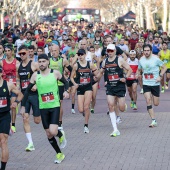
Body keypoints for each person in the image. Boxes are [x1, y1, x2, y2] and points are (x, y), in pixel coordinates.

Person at [20, 54, 69, 164]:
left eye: (43, 61)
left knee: (53, 131)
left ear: (48, 62)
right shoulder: (35, 76)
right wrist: (23, 106)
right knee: (48, 134)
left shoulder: (55, 73)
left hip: (55, 105)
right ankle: (59, 153)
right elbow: (27, 91)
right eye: (40, 62)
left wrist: (66, 91)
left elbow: (66, 82)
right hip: (43, 107)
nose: (41, 63)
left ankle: (60, 134)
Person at [97, 44, 132, 136]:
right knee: (110, 105)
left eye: (111, 51)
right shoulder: (105, 61)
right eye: (108, 51)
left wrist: (125, 77)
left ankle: (123, 105)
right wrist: (97, 78)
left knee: (122, 108)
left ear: (115, 51)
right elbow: (101, 71)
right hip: (110, 86)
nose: (110, 53)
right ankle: (115, 129)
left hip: (119, 86)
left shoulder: (120, 60)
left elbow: (129, 69)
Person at [17, 45, 41, 151]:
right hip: (25, 96)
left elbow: (42, 75)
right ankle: (30, 143)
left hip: (34, 95)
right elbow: (18, 79)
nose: (22, 55)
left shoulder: (34, 64)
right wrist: (18, 87)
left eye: (23, 53)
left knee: (37, 121)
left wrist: (37, 85)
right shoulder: (18, 66)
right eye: (20, 54)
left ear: (27, 52)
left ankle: (56, 129)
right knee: (25, 118)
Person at [0, 65, 23, 170]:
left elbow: (20, 94)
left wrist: (16, 103)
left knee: (3, 141)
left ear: (1, 73)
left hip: (4, 116)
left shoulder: (8, 85)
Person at [138, 44, 167, 127]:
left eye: (148, 50)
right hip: (146, 83)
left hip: (155, 83)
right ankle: (153, 120)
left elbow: (164, 67)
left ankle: (155, 99)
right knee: (148, 100)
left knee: (156, 103)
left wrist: (160, 76)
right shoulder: (141, 60)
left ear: (150, 51)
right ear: (143, 51)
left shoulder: (156, 59)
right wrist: (138, 74)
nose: (146, 52)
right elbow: (139, 69)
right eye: (145, 51)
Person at [71, 49, 98, 133]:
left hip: (88, 87)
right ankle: (85, 112)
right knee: (80, 109)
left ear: (85, 55)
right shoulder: (76, 65)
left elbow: (97, 73)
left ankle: (86, 126)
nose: (80, 56)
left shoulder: (90, 64)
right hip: (80, 87)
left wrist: (96, 76)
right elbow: (71, 77)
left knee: (86, 107)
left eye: (81, 54)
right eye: (78, 55)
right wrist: (75, 84)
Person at [50, 44, 72, 129]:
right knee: (52, 103)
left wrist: (69, 79)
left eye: (55, 50)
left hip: (60, 84)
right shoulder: (49, 61)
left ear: (59, 51)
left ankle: (59, 122)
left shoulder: (63, 61)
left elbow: (71, 69)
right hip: (51, 85)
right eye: (52, 51)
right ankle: (52, 120)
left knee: (59, 103)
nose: (54, 52)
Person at [0, 45, 20, 133]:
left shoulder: (17, 62)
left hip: (13, 86)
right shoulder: (2, 62)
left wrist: (18, 85)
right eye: (6, 51)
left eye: (9, 50)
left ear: (12, 51)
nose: (7, 52)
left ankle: (13, 124)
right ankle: (6, 122)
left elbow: (18, 76)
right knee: (5, 105)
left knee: (12, 104)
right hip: (5, 86)